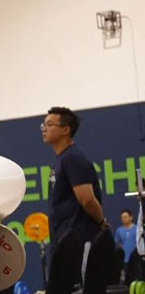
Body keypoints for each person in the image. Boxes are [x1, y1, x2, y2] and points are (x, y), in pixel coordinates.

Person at [42, 107, 106, 257]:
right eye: (43, 125)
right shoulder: (60, 160)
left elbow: (87, 199)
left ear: (65, 130)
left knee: (80, 281)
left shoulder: (74, 158)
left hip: (78, 240)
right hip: (63, 240)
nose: (44, 129)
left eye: (49, 124)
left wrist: (101, 222)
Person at [114, 208, 141, 284]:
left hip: (136, 260)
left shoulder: (137, 229)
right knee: (125, 280)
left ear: (131, 217)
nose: (124, 219)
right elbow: (117, 243)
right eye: (122, 217)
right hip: (124, 260)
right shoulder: (119, 230)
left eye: (125, 217)